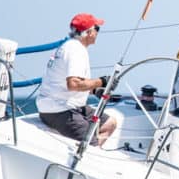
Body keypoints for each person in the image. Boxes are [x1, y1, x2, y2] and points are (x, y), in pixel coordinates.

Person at [37, 12, 120, 146]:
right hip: (59, 110)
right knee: (90, 142)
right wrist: (103, 81)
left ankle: (91, 152)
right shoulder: (76, 50)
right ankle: (90, 153)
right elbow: (73, 84)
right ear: (89, 32)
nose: (98, 33)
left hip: (70, 106)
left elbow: (70, 84)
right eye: (97, 29)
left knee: (110, 123)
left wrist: (95, 90)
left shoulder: (71, 46)